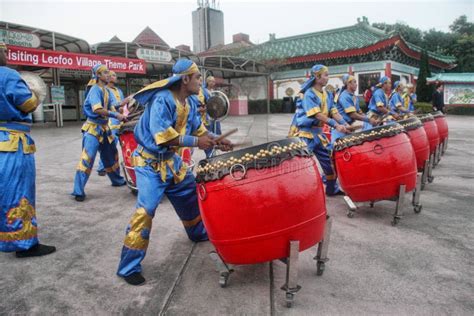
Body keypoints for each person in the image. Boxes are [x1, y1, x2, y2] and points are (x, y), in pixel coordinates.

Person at [117, 59, 233, 286]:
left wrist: (218, 141)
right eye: (198, 77)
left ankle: (197, 232)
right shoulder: (162, 99)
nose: (201, 81)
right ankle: (128, 266)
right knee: (146, 210)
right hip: (150, 164)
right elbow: (163, 136)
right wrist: (197, 142)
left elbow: (199, 129)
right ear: (185, 79)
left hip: (172, 162)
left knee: (190, 196)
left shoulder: (188, 102)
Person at [0, 42, 56, 257]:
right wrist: (33, 91)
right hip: (12, 142)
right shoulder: (8, 75)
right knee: (18, 191)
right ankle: (25, 244)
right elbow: (28, 104)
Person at [288, 64, 346, 196]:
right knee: (303, 166)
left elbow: (333, 112)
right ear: (317, 76)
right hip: (306, 136)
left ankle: (332, 190)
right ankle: (301, 195)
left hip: (319, 136)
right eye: (326, 75)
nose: (328, 78)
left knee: (330, 163)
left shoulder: (327, 94)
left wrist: (345, 124)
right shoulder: (309, 94)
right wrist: (335, 125)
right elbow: (316, 114)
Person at [71, 64, 126, 202]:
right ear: (99, 75)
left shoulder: (107, 91)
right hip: (93, 129)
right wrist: (116, 115)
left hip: (105, 128)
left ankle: (117, 180)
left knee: (111, 156)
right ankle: (78, 190)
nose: (109, 75)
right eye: (105, 73)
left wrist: (128, 101)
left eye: (109, 72)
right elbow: (97, 110)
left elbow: (115, 105)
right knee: (87, 158)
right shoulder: (95, 90)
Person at [97, 70, 127, 176]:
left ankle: (116, 166)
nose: (115, 77)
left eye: (115, 75)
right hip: (111, 123)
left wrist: (122, 108)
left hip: (120, 122)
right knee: (109, 146)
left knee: (122, 145)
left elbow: (122, 104)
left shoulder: (119, 91)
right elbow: (111, 105)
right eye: (113, 75)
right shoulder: (105, 91)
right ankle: (102, 167)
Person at [335, 74, 378, 140]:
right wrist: (368, 120)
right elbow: (353, 115)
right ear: (349, 84)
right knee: (367, 127)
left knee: (370, 125)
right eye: (354, 82)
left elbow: (359, 112)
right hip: (345, 125)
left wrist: (370, 118)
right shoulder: (344, 96)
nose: (356, 84)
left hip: (353, 123)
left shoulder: (354, 97)